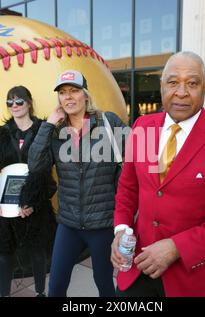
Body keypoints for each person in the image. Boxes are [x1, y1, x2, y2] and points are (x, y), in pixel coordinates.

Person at [111, 52, 205, 297]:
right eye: (173, 82)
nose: (182, 92)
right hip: (135, 270)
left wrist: (176, 248)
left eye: (192, 83)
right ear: (162, 85)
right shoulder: (142, 127)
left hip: (189, 280)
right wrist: (121, 228)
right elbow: (128, 188)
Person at [28, 70, 127, 297]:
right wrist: (48, 124)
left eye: (74, 91)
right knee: (56, 286)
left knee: (103, 282)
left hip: (102, 224)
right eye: (63, 93)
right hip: (69, 224)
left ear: (85, 95)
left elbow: (132, 165)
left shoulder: (108, 122)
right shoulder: (55, 131)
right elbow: (35, 166)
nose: (68, 97)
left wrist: (124, 218)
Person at [0, 86, 57, 297]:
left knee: (38, 253)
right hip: (4, 206)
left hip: (34, 204)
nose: (14, 106)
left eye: (19, 101)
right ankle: (4, 294)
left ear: (29, 102)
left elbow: (46, 173)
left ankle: (41, 292)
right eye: (10, 102)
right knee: (3, 256)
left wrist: (33, 202)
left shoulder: (44, 130)